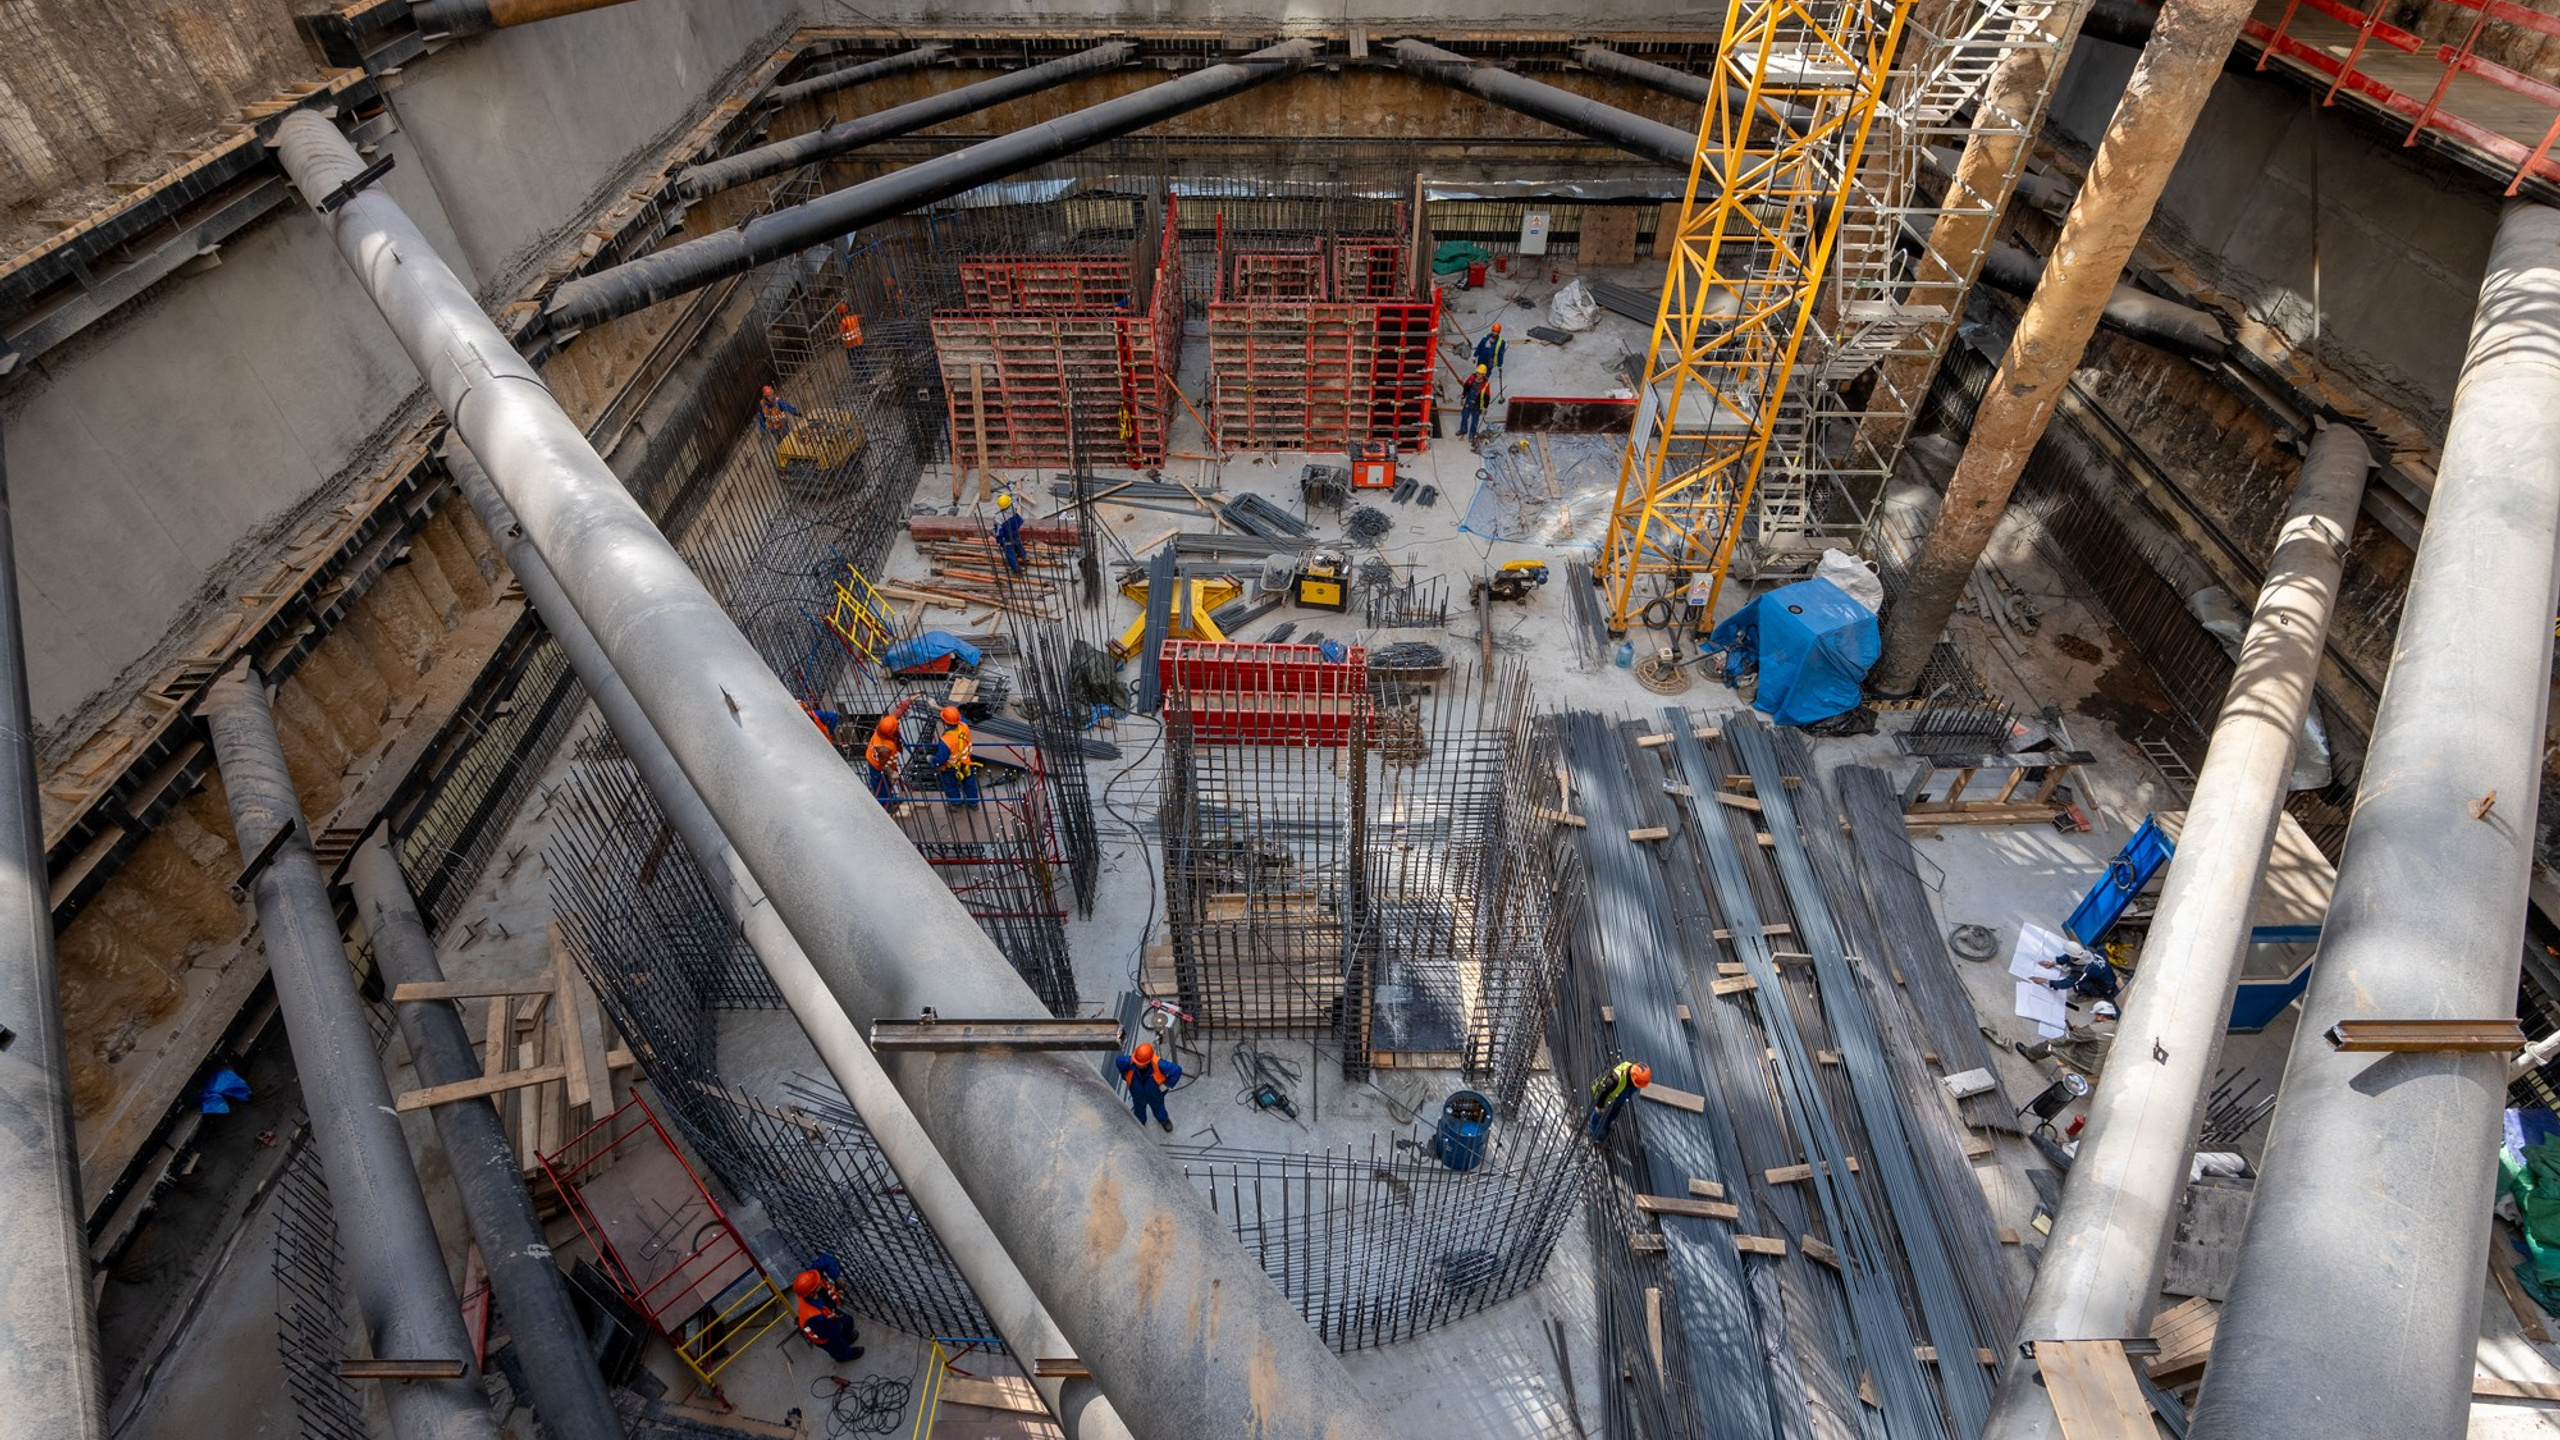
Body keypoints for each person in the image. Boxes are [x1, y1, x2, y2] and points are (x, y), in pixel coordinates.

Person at [2018, 1000, 2120, 1079]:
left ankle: (2030, 1053)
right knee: (2065, 1042)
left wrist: (2051, 1041)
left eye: (2096, 1014)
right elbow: (2096, 1036)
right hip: (2094, 1061)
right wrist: (2081, 1031)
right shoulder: (2114, 1025)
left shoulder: (2095, 1028)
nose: (2094, 1017)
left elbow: (2067, 1038)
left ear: (2101, 1016)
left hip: (2085, 1064)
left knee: (2049, 1046)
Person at [790, 1266, 863, 1363]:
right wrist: (838, 1326)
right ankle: (845, 1356)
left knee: (848, 1321)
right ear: (812, 1293)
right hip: (824, 1337)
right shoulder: (813, 1316)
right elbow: (827, 1332)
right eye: (818, 1282)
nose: (820, 1281)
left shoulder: (806, 1293)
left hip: (826, 1317)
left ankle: (846, 1338)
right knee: (838, 1347)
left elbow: (824, 1260)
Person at [1115, 1041, 1184, 1132]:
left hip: (1154, 1093)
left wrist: (1166, 1084)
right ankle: (1140, 1122)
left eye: (1140, 1064)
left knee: (1158, 1107)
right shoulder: (1131, 1060)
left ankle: (1163, 1120)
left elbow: (1177, 1070)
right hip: (1137, 1093)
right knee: (1139, 1109)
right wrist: (1124, 1075)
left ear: (1147, 1062)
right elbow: (1118, 1061)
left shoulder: (1159, 1064)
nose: (1137, 1064)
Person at [1585, 1059, 1651, 1143]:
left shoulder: (1633, 1070)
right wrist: (1600, 1107)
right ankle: (1596, 1136)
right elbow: (1602, 1093)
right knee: (1599, 1117)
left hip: (1620, 1093)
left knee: (1613, 1113)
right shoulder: (1614, 1079)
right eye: (1637, 1084)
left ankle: (1606, 1125)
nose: (1638, 1087)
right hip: (1606, 1098)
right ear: (1633, 1078)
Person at [931, 704, 979, 807]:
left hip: (951, 768)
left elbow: (941, 759)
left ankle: (956, 804)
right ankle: (973, 803)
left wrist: (932, 760)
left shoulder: (946, 740)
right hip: (966, 763)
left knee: (951, 786)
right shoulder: (964, 726)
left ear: (944, 721)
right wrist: (941, 709)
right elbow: (958, 717)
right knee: (969, 784)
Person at [2043, 945, 2122, 1003]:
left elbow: (2066, 984)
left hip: (2106, 986)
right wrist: (2054, 963)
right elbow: (2069, 956)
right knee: (2099, 949)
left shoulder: (2083, 971)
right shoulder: (2088, 950)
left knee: (2078, 983)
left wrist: (2047, 981)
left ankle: (2084, 995)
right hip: (2108, 975)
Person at [864, 714, 904, 807]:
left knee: (886, 783)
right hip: (877, 765)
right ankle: (885, 805)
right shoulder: (885, 747)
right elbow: (884, 763)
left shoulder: (880, 729)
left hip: (874, 759)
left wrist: (908, 701)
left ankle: (890, 798)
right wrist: (891, 772)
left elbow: (894, 717)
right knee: (881, 784)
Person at [992, 492, 1027, 575]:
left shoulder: (998, 517)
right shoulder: (1013, 508)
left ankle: (1016, 571)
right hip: (1015, 533)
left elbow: (998, 531)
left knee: (1010, 554)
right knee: (1018, 545)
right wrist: (1010, 487)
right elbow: (1016, 497)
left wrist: (995, 537)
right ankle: (1024, 557)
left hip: (1006, 538)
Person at [1458, 364, 1491, 438]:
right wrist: (1463, 397)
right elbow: (1466, 387)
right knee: (1464, 415)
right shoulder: (1472, 378)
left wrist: (1485, 407)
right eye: (1477, 373)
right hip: (1469, 401)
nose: (1478, 375)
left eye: (1480, 374)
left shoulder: (1486, 384)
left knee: (1475, 420)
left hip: (1477, 404)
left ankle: (1472, 435)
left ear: (1483, 374)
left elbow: (1487, 396)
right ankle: (1463, 429)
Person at [835, 302, 863, 369]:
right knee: (862, 359)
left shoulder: (843, 322)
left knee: (853, 362)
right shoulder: (854, 317)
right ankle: (867, 374)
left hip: (850, 346)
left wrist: (835, 337)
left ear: (840, 314)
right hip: (859, 342)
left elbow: (840, 333)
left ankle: (859, 374)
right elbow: (861, 316)